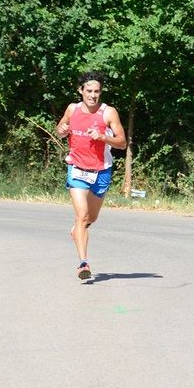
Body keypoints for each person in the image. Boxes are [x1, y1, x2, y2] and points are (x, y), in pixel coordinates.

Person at [55, 71, 127, 279]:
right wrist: (62, 129)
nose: (93, 95)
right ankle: (83, 264)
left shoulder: (108, 113)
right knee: (82, 215)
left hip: (101, 171)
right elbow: (61, 128)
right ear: (81, 91)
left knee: (91, 218)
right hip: (76, 168)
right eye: (89, 91)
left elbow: (122, 143)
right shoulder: (72, 109)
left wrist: (103, 137)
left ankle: (79, 230)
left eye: (97, 91)